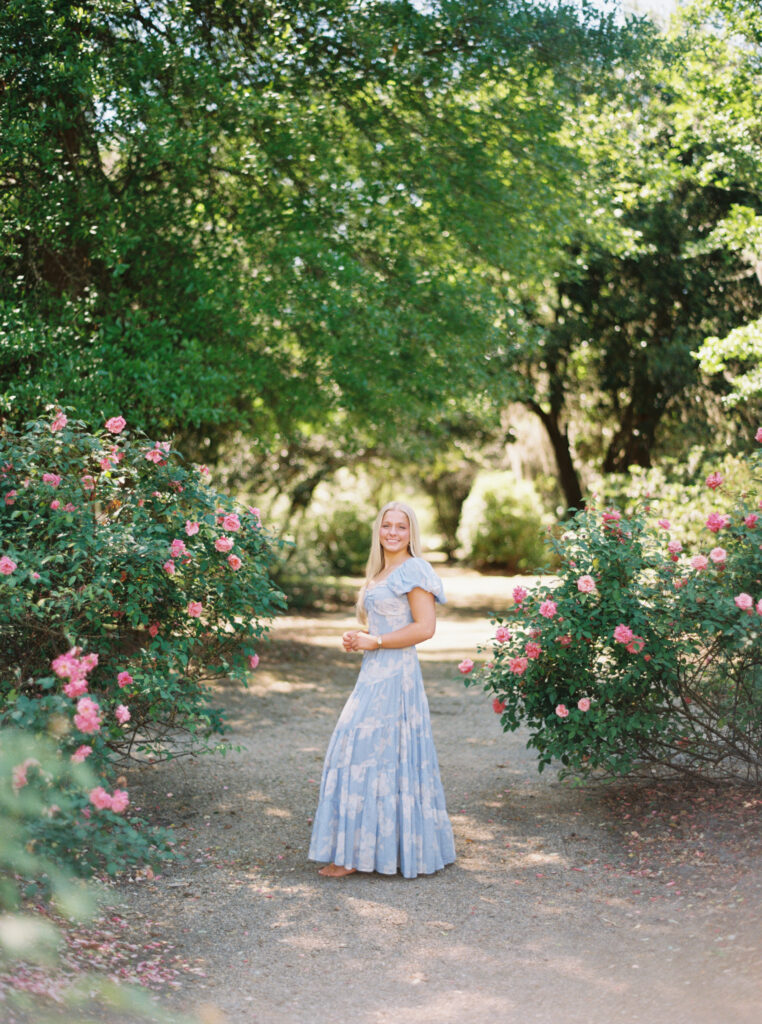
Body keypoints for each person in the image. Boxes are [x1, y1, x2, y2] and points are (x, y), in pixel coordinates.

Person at [308, 500, 456, 878]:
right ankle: (362, 851)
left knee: (365, 751)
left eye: (401, 527)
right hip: (373, 672)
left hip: (397, 676)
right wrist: (359, 639)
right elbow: (381, 627)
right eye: (386, 525)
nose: (393, 532)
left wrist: (374, 642)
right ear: (379, 530)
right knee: (364, 752)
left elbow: (425, 628)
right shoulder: (378, 573)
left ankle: (357, 855)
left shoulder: (414, 569)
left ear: (411, 533)